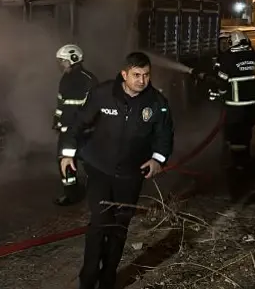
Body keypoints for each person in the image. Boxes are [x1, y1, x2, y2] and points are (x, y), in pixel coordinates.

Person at [59, 51, 174, 289]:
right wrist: (67, 153)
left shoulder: (156, 103)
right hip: (100, 169)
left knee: (120, 227)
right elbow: (78, 123)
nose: (142, 80)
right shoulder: (103, 94)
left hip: (131, 174)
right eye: (136, 75)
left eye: (146, 75)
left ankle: (108, 278)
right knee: (100, 224)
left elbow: (164, 136)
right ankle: (88, 280)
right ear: (124, 74)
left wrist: (157, 160)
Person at [211, 30, 255, 169]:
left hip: (235, 105)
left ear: (231, 42)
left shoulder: (227, 58)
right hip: (251, 104)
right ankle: (245, 160)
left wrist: (220, 93)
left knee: (234, 134)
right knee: (246, 133)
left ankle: (236, 164)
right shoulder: (252, 55)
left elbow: (222, 82)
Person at [52, 44, 97, 207]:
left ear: (74, 59)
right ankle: (71, 193)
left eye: (63, 61)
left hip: (84, 129)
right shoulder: (65, 78)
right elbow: (61, 103)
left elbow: (94, 106)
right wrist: (57, 121)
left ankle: (97, 192)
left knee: (91, 161)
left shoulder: (88, 78)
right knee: (64, 161)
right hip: (67, 130)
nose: (61, 65)